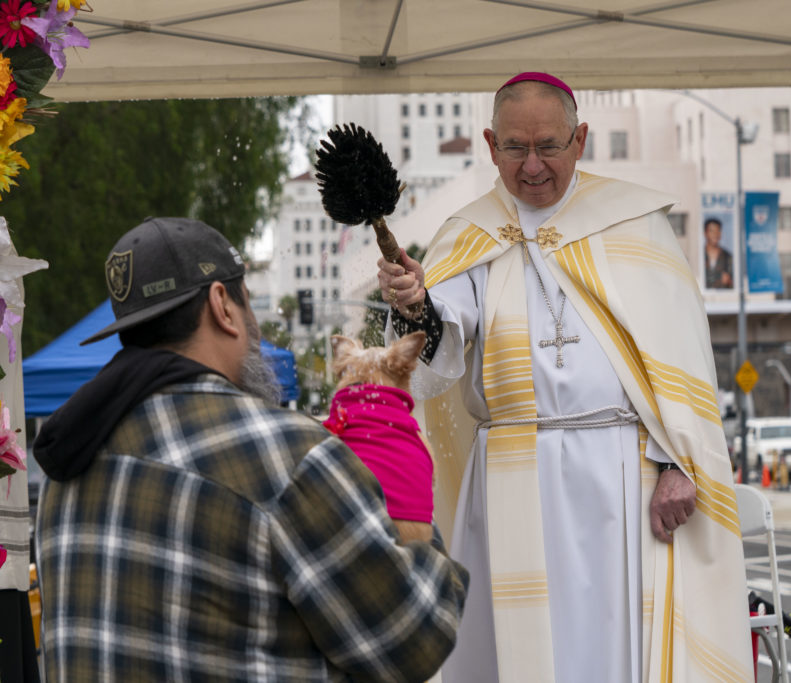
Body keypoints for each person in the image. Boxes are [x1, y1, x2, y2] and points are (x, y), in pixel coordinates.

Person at [377, 72, 752, 682]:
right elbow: (441, 339)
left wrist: (680, 462)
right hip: (510, 476)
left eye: (548, 146)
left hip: (623, 476)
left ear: (580, 140)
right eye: (514, 148)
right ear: (489, 145)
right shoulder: (469, 236)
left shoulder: (634, 224)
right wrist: (415, 304)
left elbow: (682, 358)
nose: (531, 166)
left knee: (618, 647)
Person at [34, 217, 468, 682]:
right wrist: (409, 505)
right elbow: (416, 638)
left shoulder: (65, 468)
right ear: (223, 306)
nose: (256, 329)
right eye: (249, 306)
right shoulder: (285, 454)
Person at [704, 217, 734, 288]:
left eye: (718, 230)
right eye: (712, 231)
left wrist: (729, 281)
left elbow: (733, 281)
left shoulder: (728, 256)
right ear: (705, 233)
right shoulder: (699, 256)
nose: (715, 234)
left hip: (723, 296)